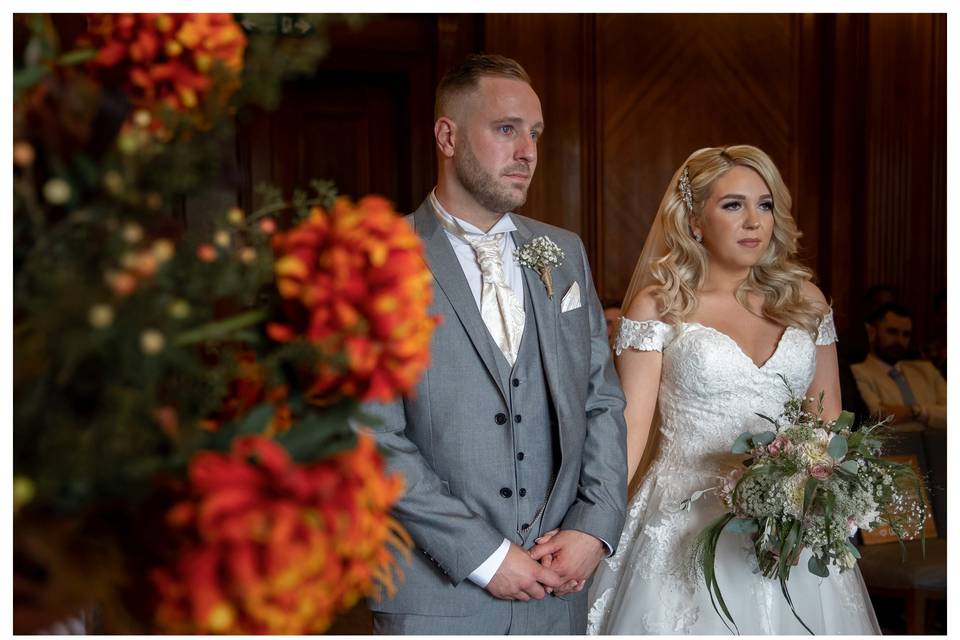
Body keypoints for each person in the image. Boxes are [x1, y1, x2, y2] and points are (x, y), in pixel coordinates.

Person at [364, 54, 627, 634]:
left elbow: (601, 401)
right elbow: (371, 437)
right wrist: (484, 556)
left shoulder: (563, 252)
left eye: (534, 133)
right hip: (434, 595)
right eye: (506, 129)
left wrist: (594, 525)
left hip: (558, 588)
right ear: (447, 135)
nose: (527, 151)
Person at [585, 145, 880, 634]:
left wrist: (828, 502)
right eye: (733, 205)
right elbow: (629, 434)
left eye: (764, 205)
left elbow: (827, 423)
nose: (754, 222)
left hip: (793, 522)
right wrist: (593, 527)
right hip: (683, 519)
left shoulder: (805, 300)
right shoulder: (659, 304)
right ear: (695, 219)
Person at [851, 303, 946, 431]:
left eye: (906, 334)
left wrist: (916, 411)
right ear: (872, 332)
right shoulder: (857, 371)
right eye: (892, 332)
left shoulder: (927, 370)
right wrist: (934, 415)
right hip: (893, 449)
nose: (899, 340)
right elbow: (878, 417)